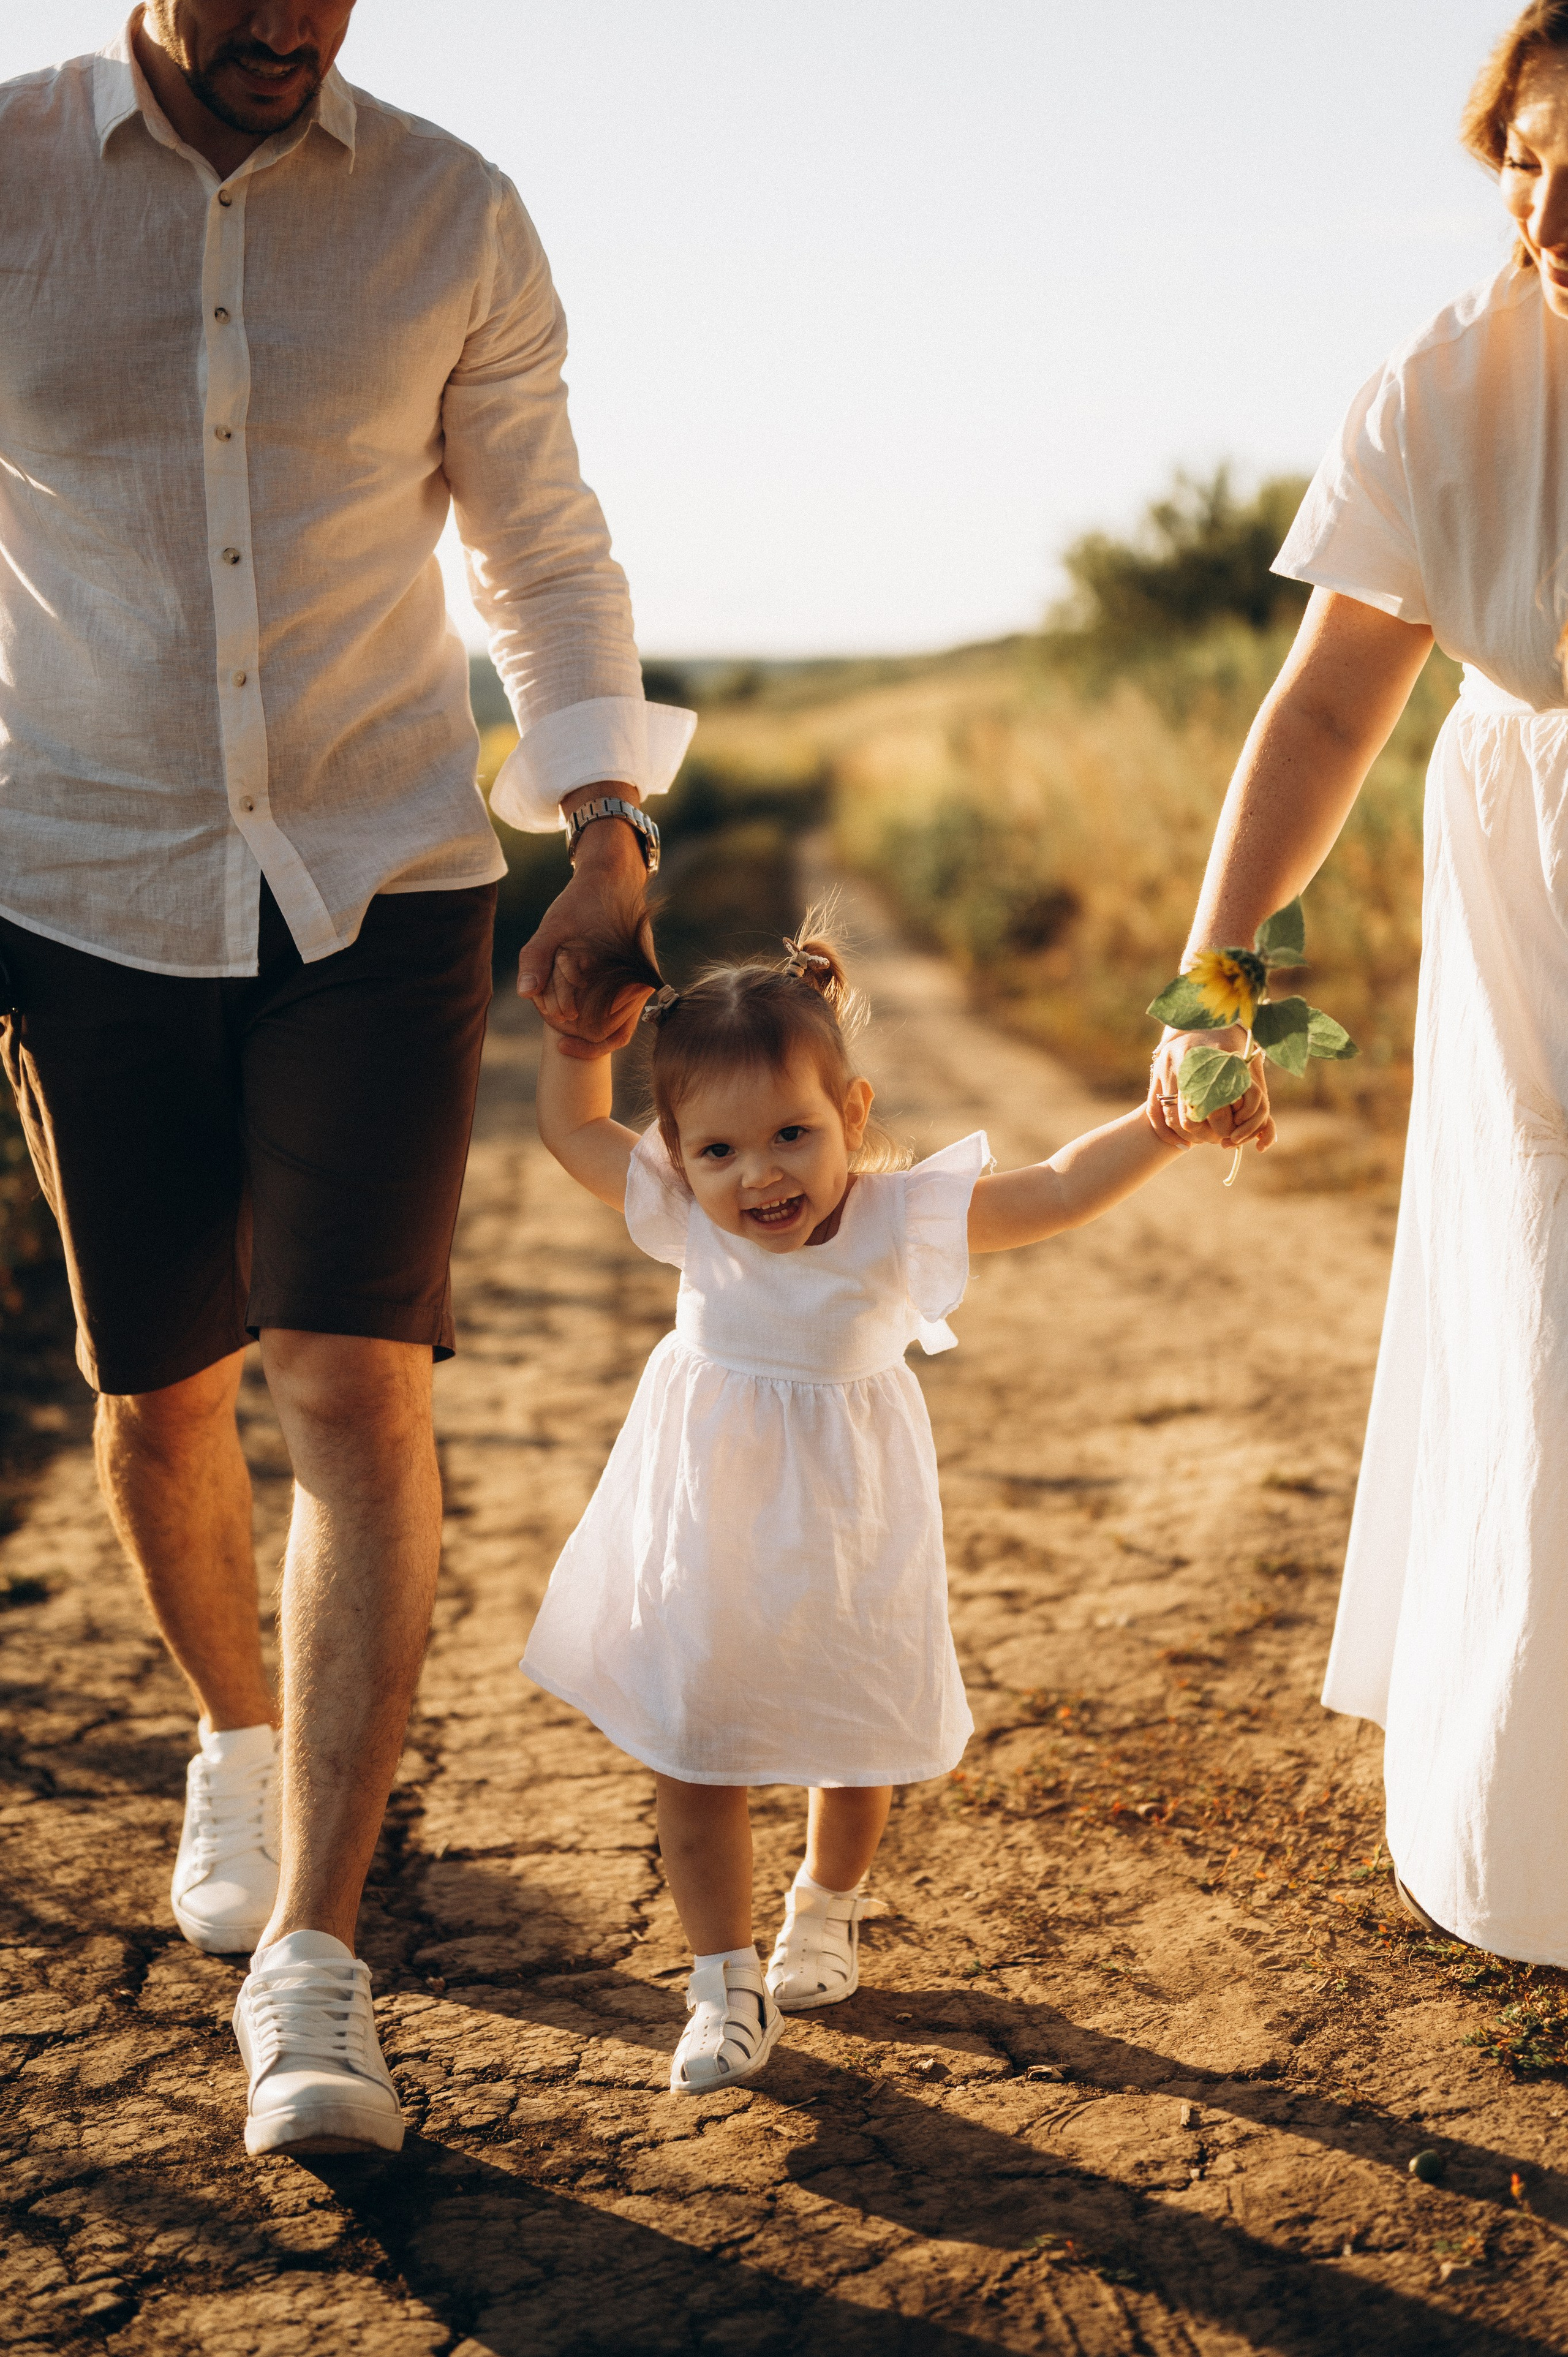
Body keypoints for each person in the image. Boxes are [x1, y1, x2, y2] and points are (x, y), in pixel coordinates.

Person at [0, 2, 691, 2157]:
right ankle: (233, 1722)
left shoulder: (448, 211)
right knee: (158, 1389)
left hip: (382, 879)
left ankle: (315, 1956)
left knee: (349, 1376)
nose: (291, 16)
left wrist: (599, 821)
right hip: (79, 871)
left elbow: (541, 546)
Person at [1146, 1, 1568, 1970]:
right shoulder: (1442, 383)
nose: (1549, 208)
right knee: (1552, 1294)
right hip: (1536, 864)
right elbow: (1323, 707)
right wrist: (1222, 985)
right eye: (1526, 157)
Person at [526, 918, 1214, 2092]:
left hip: (850, 1512)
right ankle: (722, 1983)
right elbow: (576, 1129)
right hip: (709, 1516)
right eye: (723, 1151)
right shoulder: (689, 1214)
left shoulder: (898, 1220)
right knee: (695, 1744)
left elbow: (1053, 1189)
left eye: (794, 1134)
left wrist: (1161, 1125)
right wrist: (576, 1037)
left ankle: (826, 1906)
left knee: (852, 1725)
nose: (763, 1175)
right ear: (680, 1157)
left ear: (853, 1115)